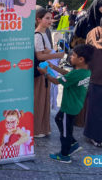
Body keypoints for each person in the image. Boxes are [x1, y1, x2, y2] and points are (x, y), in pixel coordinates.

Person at [38, 44, 94, 163]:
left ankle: (64, 155)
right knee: (59, 119)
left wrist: (45, 73)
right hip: (75, 106)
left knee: (65, 131)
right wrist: (53, 67)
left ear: (81, 59)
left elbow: (56, 81)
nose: (70, 57)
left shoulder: (76, 74)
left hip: (68, 107)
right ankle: (73, 143)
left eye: (73, 55)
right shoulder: (85, 72)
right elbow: (66, 74)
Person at [34, 7, 65, 137]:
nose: (50, 20)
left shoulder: (43, 34)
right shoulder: (37, 35)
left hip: (45, 70)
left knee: (44, 99)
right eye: (47, 18)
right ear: (38, 19)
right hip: (40, 71)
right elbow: (40, 56)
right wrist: (58, 55)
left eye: (50, 18)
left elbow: (46, 52)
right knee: (39, 99)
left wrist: (54, 54)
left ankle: (42, 128)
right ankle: (37, 129)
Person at [84, 19, 102, 147]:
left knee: (94, 108)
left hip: (93, 75)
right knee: (95, 108)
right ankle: (94, 136)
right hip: (96, 76)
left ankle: (93, 135)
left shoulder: (92, 33)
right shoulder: (93, 33)